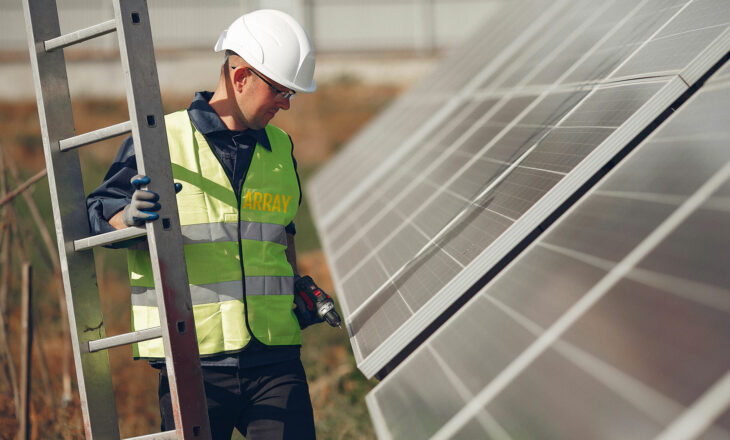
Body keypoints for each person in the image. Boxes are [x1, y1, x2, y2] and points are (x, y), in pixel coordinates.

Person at [86, 9, 323, 439]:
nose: (287, 104)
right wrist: (127, 217)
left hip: (274, 359)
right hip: (192, 361)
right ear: (241, 77)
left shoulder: (281, 148)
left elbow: (282, 231)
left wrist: (293, 282)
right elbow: (97, 214)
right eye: (280, 91)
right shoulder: (160, 141)